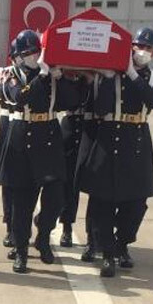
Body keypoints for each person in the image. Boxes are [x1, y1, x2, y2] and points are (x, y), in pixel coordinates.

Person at [78, 27, 153, 277]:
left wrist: (131, 74)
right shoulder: (108, 75)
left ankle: (122, 243)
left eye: (149, 48)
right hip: (109, 138)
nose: (143, 51)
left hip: (137, 141)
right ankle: (107, 253)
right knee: (103, 202)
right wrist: (108, 78)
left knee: (136, 203)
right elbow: (100, 108)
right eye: (139, 46)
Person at [0, 29, 82, 273]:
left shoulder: (53, 74)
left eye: (36, 51)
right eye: (27, 53)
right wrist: (43, 76)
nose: (33, 56)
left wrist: (63, 78)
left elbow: (72, 101)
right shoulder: (10, 74)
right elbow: (20, 97)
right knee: (22, 202)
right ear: (18, 56)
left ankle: (43, 234)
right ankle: (21, 251)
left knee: (57, 197)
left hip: (49, 134)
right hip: (22, 135)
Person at [0, 37, 19, 250]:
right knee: (9, 183)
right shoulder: (2, 73)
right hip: (9, 125)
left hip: (35, 129)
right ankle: (10, 225)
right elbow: (5, 93)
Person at [58, 70, 93, 250]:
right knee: (68, 183)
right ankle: (67, 227)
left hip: (92, 126)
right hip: (71, 125)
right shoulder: (67, 73)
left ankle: (93, 234)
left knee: (95, 186)